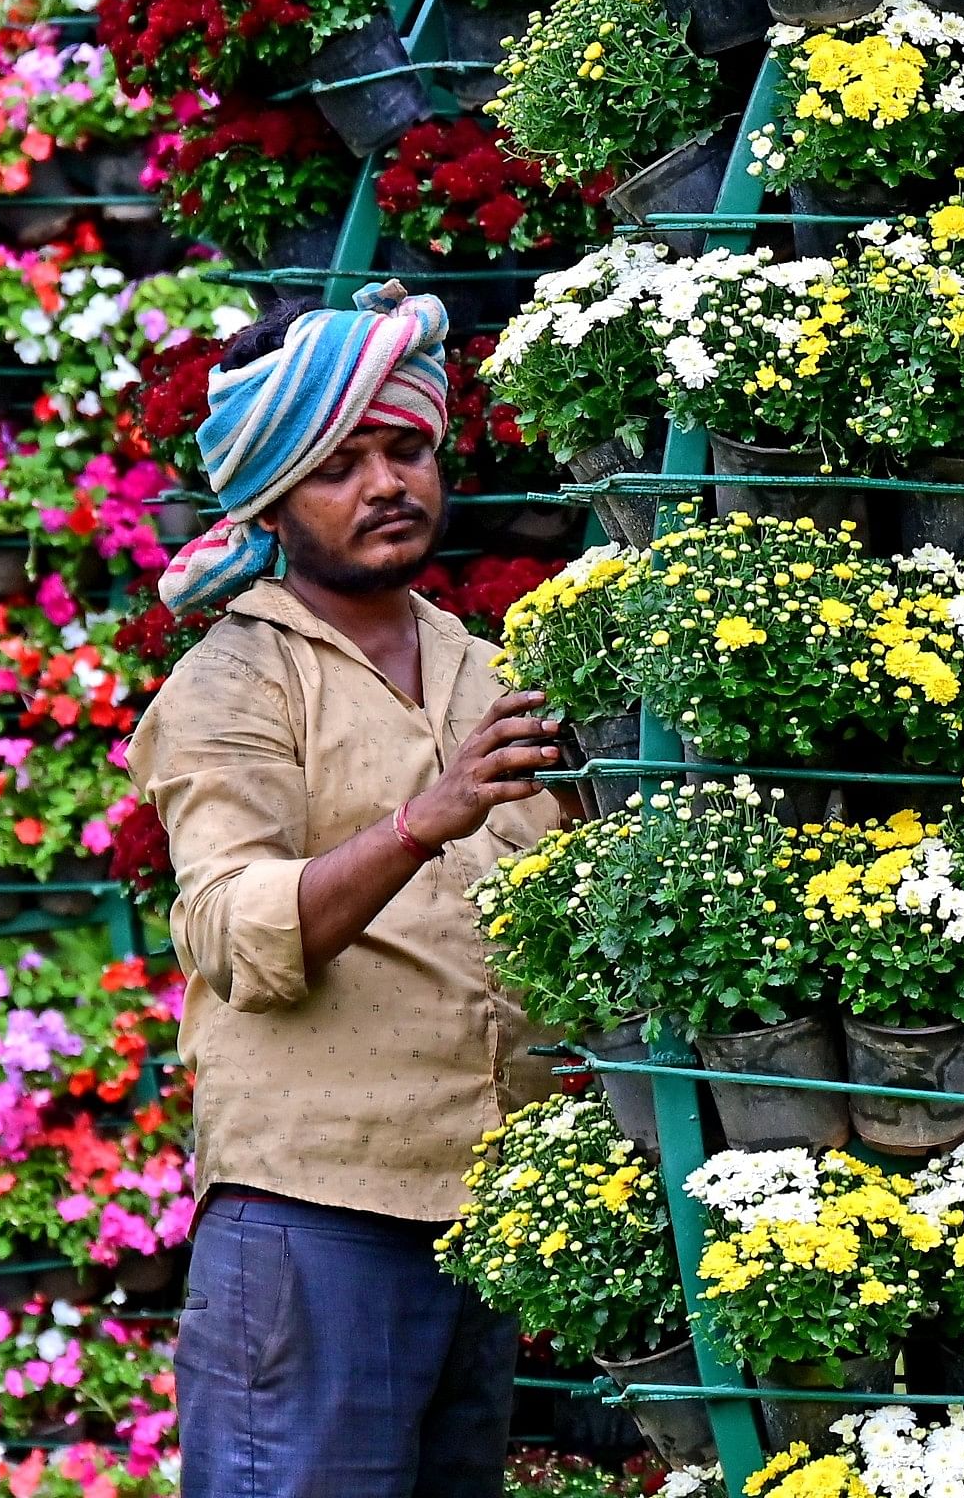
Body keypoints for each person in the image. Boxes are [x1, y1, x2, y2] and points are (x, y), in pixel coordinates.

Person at [132, 285, 571, 1498]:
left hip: (482, 1213)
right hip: (313, 1217)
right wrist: (424, 821)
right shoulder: (236, 683)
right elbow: (229, 930)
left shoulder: (499, 674)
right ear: (269, 491)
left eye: (406, 448)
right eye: (339, 461)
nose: (385, 484)